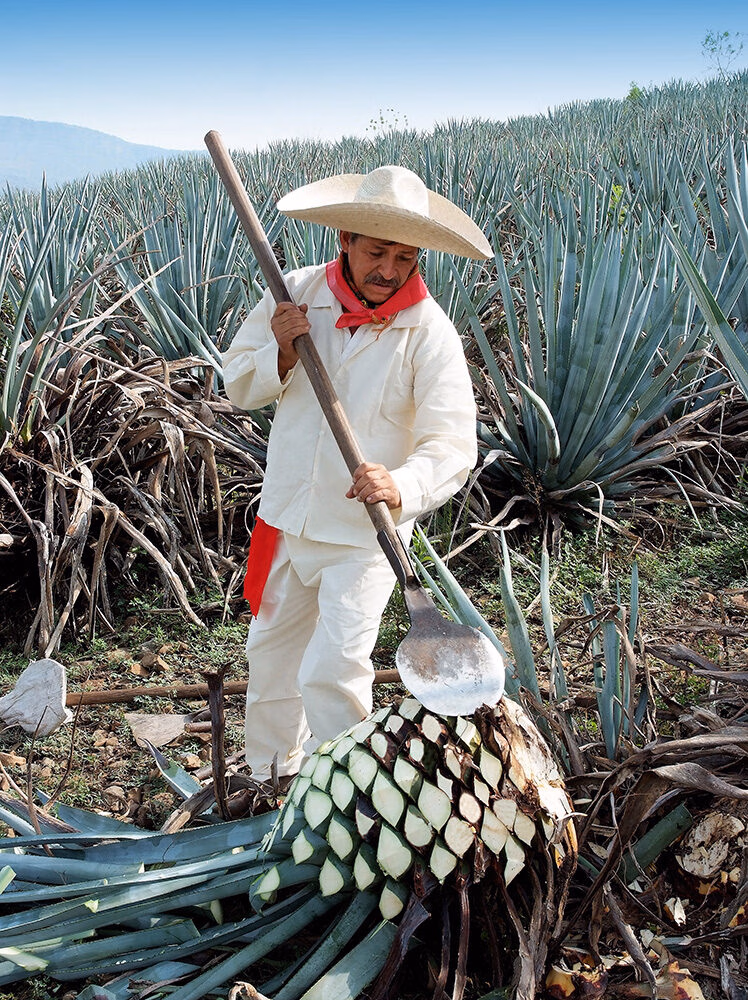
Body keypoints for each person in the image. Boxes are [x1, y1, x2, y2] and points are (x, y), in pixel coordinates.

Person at [221, 165, 492, 780]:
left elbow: (452, 444)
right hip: (288, 517)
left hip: (365, 535)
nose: (389, 270)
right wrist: (282, 350)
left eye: (404, 256)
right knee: (271, 658)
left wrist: (404, 483)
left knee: (337, 666)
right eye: (376, 251)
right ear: (344, 239)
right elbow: (236, 383)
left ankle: (342, 791)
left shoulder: (430, 333)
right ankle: (269, 777)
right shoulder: (292, 293)